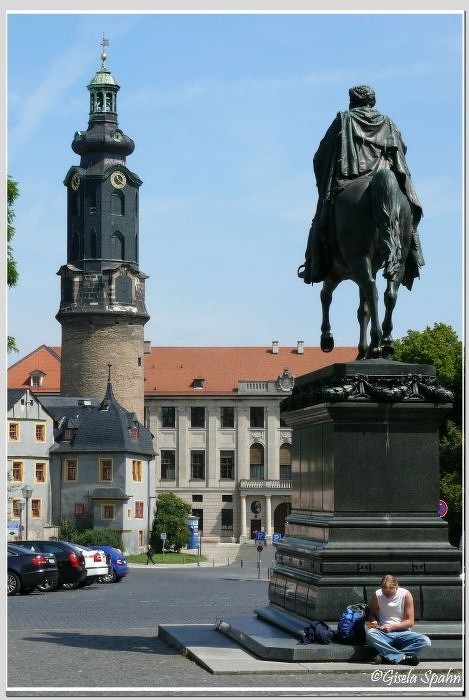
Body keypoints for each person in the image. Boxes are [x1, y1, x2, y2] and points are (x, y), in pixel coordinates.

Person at [298, 85, 424, 285]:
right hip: (387, 183)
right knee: (403, 214)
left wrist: (324, 187)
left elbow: (320, 158)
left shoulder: (344, 119)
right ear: (372, 102)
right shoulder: (389, 124)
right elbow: (402, 152)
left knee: (319, 222)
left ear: (352, 101)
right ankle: (412, 253)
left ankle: (314, 264)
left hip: (349, 181)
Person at [365, 574, 431, 666]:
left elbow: (410, 622)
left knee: (425, 641)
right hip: (384, 633)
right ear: (381, 588)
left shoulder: (405, 594)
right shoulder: (377, 594)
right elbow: (371, 614)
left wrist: (392, 627)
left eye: (390, 593)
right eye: (385, 593)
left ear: (396, 587)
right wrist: (373, 622)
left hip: (403, 632)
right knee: (370, 633)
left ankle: (388, 657)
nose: (387, 596)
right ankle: (402, 657)